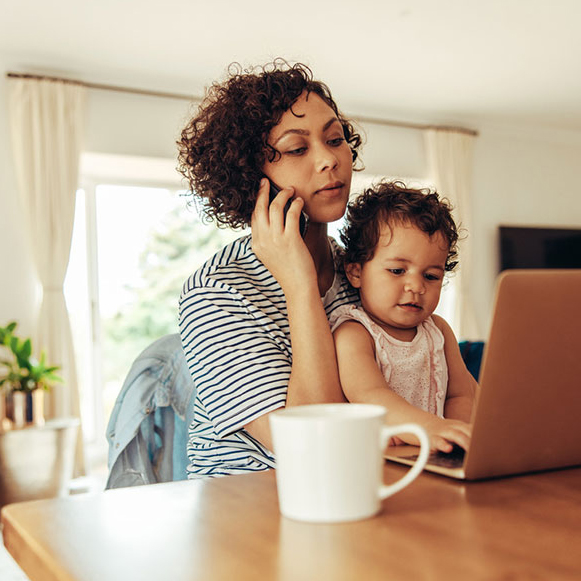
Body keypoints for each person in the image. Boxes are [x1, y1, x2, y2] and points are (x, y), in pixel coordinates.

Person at [177, 60, 362, 477]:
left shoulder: (361, 271)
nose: (328, 160)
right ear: (250, 178)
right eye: (298, 149)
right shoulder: (214, 294)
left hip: (354, 491)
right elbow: (313, 444)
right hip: (249, 513)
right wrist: (298, 282)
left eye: (335, 139)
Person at [331, 181, 477, 453]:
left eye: (431, 276)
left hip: (434, 453)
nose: (416, 286)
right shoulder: (354, 333)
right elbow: (370, 396)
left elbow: (461, 394)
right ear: (356, 273)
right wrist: (432, 428)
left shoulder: (439, 331)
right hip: (384, 461)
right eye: (398, 271)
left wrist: (457, 436)